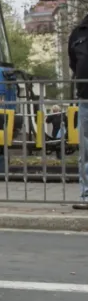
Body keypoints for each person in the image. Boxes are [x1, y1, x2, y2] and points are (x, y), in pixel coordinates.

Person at [69, 12, 88, 201]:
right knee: (87, 151)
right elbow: (74, 64)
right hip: (86, 100)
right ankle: (87, 194)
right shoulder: (77, 34)